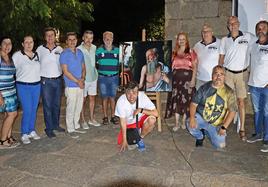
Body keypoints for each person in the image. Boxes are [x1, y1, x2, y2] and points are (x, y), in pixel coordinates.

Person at [219, 16, 255, 141]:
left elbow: (259, 44)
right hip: (228, 74)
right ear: (228, 26)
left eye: (235, 23)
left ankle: (242, 128)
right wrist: (220, 74)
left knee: (241, 102)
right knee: (229, 102)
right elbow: (221, 59)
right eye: (230, 23)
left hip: (242, 74)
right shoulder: (224, 40)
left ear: (238, 24)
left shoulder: (248, 37)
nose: (233, 25)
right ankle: (225, 126)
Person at [187, 65, 237, 149]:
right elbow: (193, 103)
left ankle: (208, 132)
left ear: (224, 76)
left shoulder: (229, 92)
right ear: (212, 75)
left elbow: (232, 111)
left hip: (217, 124)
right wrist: (192, 118)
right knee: (189, 123)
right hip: (202, 118)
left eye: (221, 74)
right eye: (216, 74)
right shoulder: (204, 88)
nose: (218, 77)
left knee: (220, 145)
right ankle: (200, 136)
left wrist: (224, 127)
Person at [36, 27, 65, 138]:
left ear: (55, 36)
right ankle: (48, 128)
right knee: (47, 105)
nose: (49, 37)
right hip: (45, 81)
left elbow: (64, 65)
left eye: (51, 35)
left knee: (57, 104)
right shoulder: (40, 49)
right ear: (45, 37)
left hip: (58, 80)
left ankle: (55, 125)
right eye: (47, 35)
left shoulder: (60, 49)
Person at [165, 32, 197, 131]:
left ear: (186, 40)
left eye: (183, 39)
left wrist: (193, 80)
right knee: (176, 101)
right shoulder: (174, 52)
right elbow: (169, 67)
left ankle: (183, 122)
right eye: (179, 39)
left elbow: (195, 68)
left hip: (187, 81)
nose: (181, 41)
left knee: (186, 101)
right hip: (176, 81)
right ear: (177, 41)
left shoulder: (191, 52)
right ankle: (176, 123)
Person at [12, 35, 41, 144]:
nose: (29, 44)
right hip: (23, 86)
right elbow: (11, 70)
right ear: (23, 44)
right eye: (26, 42)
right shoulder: (17, 56)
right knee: (27, 109)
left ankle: (31, 130)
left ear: (34, 43)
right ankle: (24, 133)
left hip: (36, 86)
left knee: (34, 110)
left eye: (31, 42)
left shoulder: (36, 55)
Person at [115, 81, 158, 152]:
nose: (131, 97)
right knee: (122, 143)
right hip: (129, 124)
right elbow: (122, 122)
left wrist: (141, 110)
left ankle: (140, 138)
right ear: (125, 93)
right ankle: (135, 133)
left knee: (152, 119)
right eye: (128, 93)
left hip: (140, 120)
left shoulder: (142, 96)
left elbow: (156, 114)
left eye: (134, 93)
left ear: (138, 93)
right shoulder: (121, 101)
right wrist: (125, 140)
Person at [247, 20, 268, 153]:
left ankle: (267, 139)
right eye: (258, 28)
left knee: (267, 113)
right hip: (253, 85)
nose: (260, 30)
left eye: (263, 28)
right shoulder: (253, 45)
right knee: (257, 111)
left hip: (266, 86)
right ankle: (258, 134)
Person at [60, 32, 86, 137]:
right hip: (71, 85)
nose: (72, 42)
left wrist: (83, 79)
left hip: (80, 84)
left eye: (74, 39)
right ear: (66, 41)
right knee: (71, 107)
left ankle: (76, 125)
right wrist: (78, 81)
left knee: (79, 106)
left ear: (77, 40)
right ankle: (70, 129)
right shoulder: (64, 54)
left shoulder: (80, 52)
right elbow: (65, 71)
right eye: (69, 40)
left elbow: (83, 67)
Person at [96, 31, 119, 125]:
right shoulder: (99, 50)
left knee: (113, 97)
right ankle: (105, 117)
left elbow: (122, 64)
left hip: (114, 77)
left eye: (110, 38)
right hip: (102, 78)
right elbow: (95, 63)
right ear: (103, 39)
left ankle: (113, 116)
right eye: (106, 38)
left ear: (113, 39)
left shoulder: (118, 50)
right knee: (104, 97)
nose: (108, 40)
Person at [78, 30, 100, 129]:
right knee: (82, 100)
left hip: (93, 77)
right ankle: (82, 120)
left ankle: (91, 118)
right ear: (83, 38)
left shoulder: (95, 48)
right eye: (86, 37)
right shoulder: (78, 49)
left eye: (91, 38)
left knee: (92, 98)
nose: (88, 40)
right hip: (84, 78)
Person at [0, 37, 19, 148]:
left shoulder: (10, 58)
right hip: (3, 92)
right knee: (13, 114)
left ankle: (8, 137)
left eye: (9, 43)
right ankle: (2, 141)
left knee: (9, 115)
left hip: (12, 90)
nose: (7, 45)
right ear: (0, 45)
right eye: (4, 43)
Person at [193, 24, 221, 90]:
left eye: (207, 31)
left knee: (213, 100)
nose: (205, 33)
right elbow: (194, 62)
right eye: (203, 32)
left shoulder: (220, 43)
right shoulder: (197, 45)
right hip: (200, 80)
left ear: (212, 32)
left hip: (214, 79)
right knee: (201, 100)